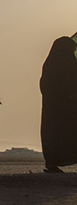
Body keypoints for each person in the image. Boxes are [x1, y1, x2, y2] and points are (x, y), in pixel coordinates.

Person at [40, 36, 77, 173]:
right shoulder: (68, 62)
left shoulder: (50, 63)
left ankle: (51, 162)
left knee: (53, 134)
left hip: (53, 107)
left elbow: (44, 85)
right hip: (67, 106)